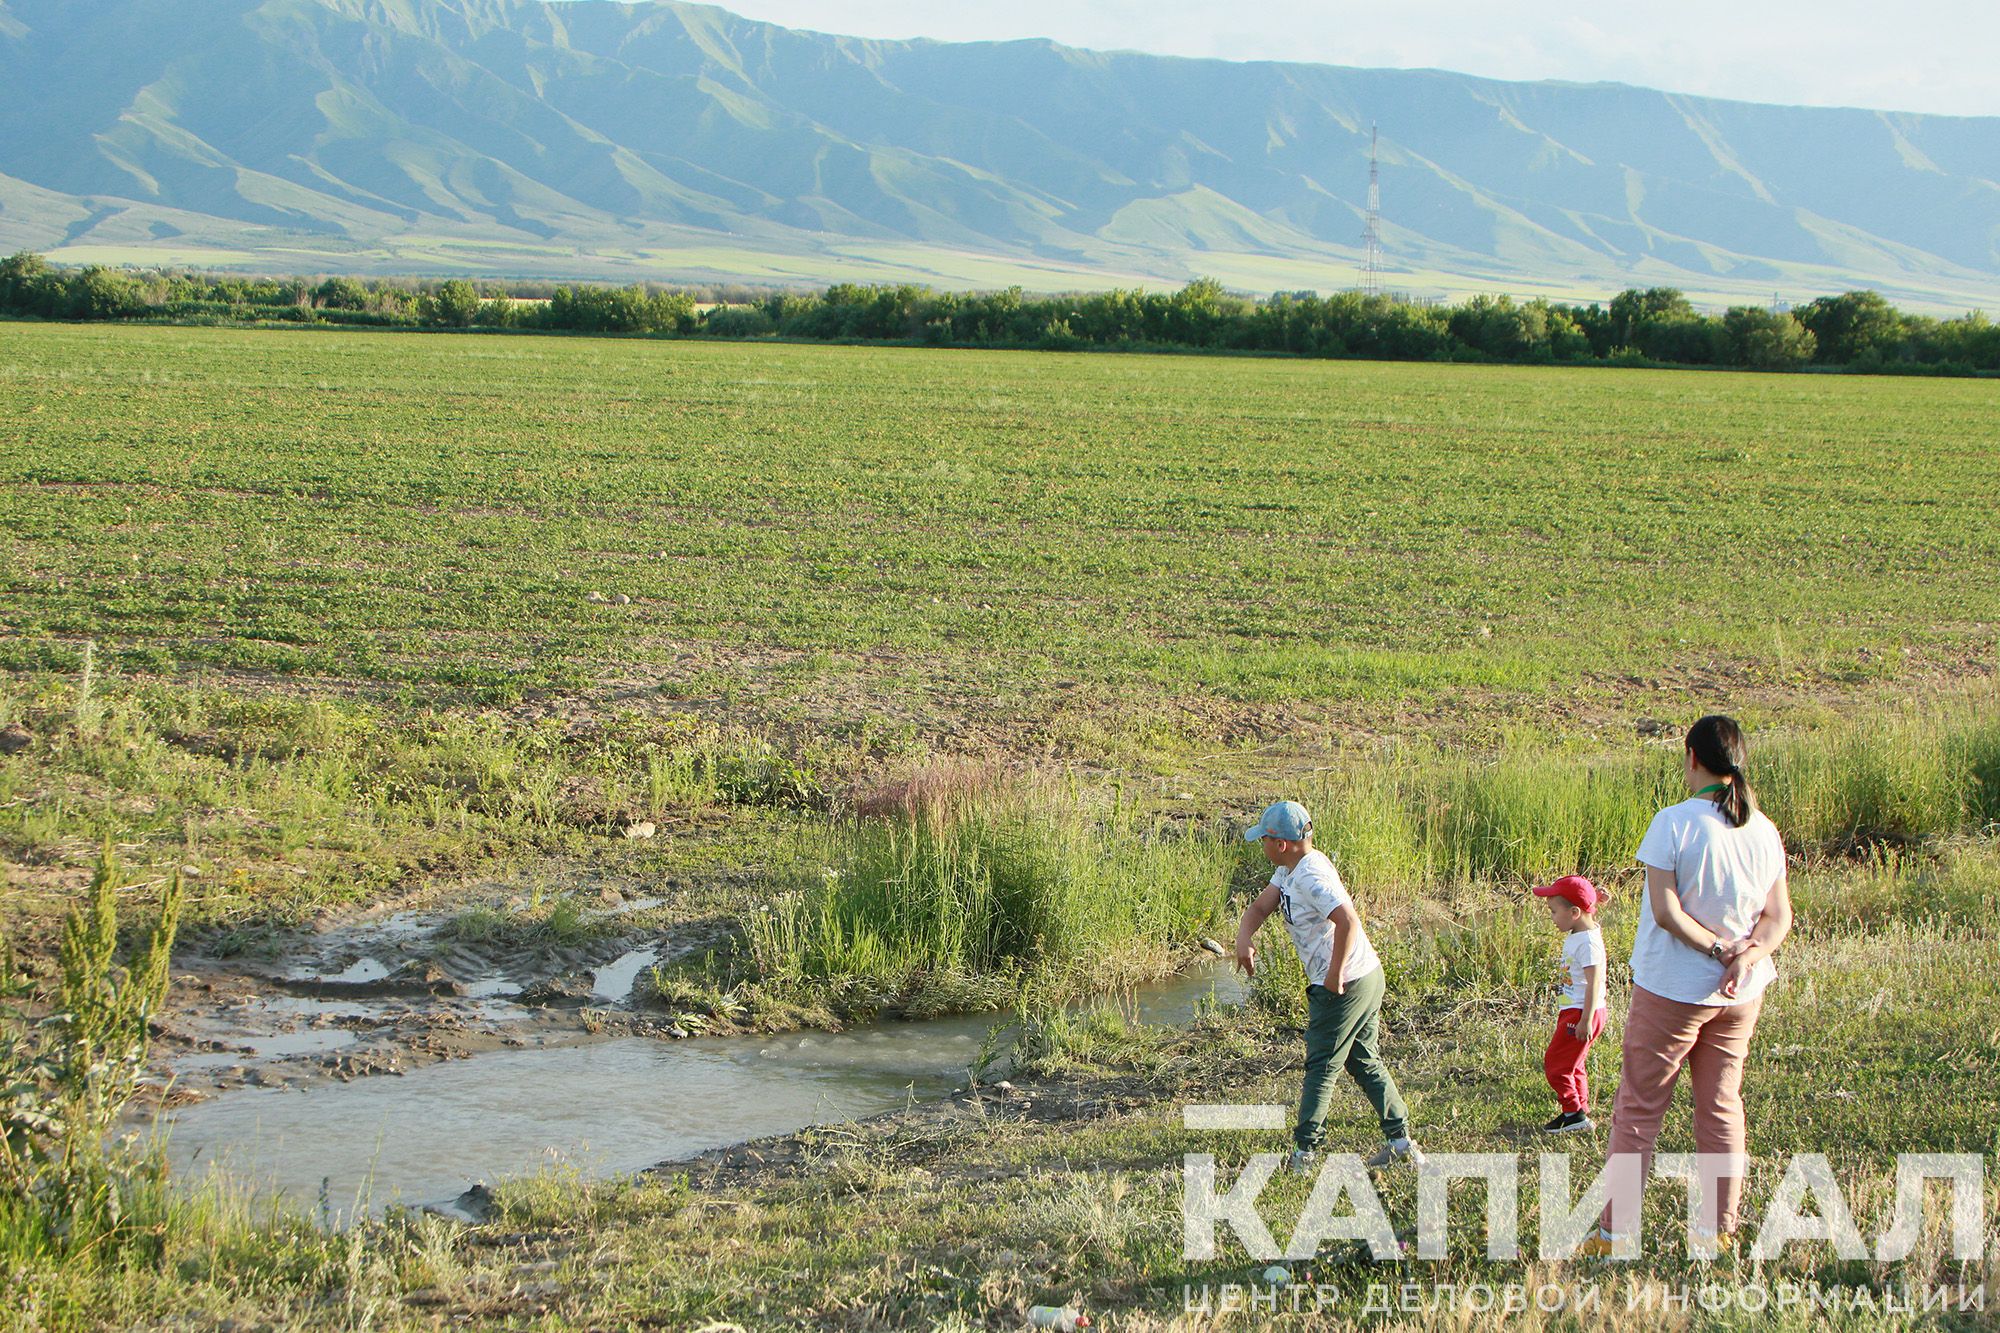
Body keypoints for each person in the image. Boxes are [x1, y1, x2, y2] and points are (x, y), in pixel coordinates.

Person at [1582, 715, 1792, 1257]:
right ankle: (1719, 1231)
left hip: (1674, 990)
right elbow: (1778, 918)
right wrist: (1748, 956)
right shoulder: (1763, 829)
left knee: (1639, 1108)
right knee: (1721, 1106)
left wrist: (1721, 950)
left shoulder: (1673, 822)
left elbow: (1667, 912)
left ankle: (1614, 1233)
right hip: (1740, 994)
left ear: (1692, 758)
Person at [1232, 800, 1424, 1173]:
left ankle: (1304, 1154)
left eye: (1265, 840)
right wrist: (1244, 938)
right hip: (1365, 974)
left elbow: (1348, 920)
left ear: (1281, 844)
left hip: (1345, 982)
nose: (1263, 846)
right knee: (1363, 1059)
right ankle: (1401, 1142)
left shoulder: (1309, 876)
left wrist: (1334, 974)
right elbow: (1259, 908)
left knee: (1321, 1065)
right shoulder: (1291, 869)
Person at [1533, 874, 1609, 1134]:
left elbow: (1594, 982)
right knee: (1574, 1064)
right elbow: (1585, 908)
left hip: (1581, 1011)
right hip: (1577, 1010)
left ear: (1574, 912)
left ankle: (1572, 1113)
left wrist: (1585, 1019)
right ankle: (1580, 1110)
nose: (1552, 918)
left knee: (1556, 1064)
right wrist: (1595, 898)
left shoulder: (1588, 943)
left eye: (1554, 912)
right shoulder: (1584, 927)